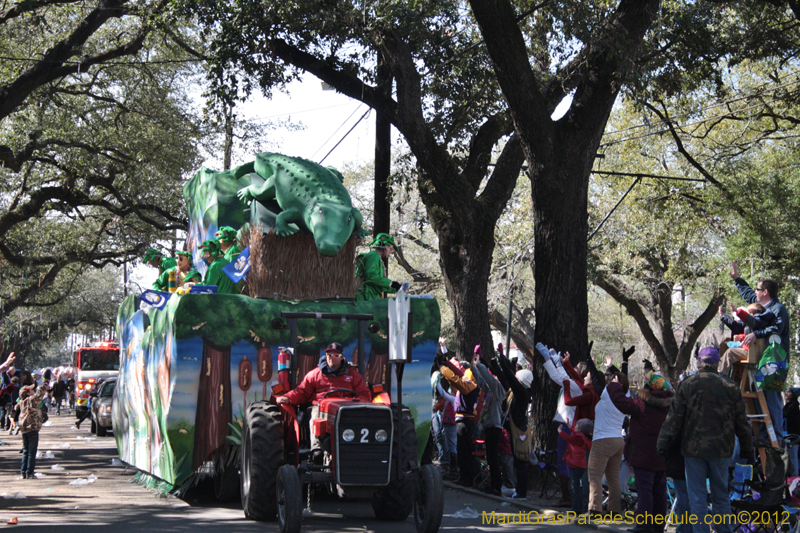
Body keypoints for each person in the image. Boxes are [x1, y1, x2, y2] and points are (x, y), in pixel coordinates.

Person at [657, 346, 753, 533]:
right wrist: (748, 448)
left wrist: (663, 443)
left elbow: (673, 420)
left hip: (693, 450)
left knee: (697, 497)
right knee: (721, 495)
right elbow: (742, 422)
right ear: (717, 363)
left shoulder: (687, 385)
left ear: (700, 362)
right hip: (722, 450)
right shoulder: (730, 387)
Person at [276, 342, 370, 457]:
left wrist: (356, 404)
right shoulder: (315, 374)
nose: (331, 358)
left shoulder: (353, 375)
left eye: (335, 356)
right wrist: (288, 397)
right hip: (321, 408)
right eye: (329, 355)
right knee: (315, 415)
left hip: (346, 409)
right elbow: (302, 391)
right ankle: (317, 449)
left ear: (342, 357)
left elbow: (364, 394)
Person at [730, 262, 790, 439]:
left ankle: (776, 440)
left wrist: (756, 334)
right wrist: (737, 279)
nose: (755, 292)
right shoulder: (763, 306)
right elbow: (749, 294)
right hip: (759, 359)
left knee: (771, 400)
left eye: (758, 289)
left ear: (765, 292)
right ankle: (764, 438)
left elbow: (775, 330)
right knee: (758, 402)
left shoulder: (778, 309)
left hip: (774, 361)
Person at [607, 370, 674, 532]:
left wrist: (615, 385)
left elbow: (619, 401)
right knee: (659, 491)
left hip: (643, 455)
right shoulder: (670, 407)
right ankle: (658, 526)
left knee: (645, 491)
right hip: (662, 455)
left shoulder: (641, 405)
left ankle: (644, 525)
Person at [440, 354, 480, 487]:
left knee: (464, 451)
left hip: (465, 421)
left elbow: (456, 379)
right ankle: (464, 476)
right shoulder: (470, 385)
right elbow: (457, 376)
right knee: (463, 450)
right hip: (464, 420)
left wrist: (443, 369)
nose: (464, 376)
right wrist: (447, 363)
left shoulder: (470, 386)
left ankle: (466, 478)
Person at [471, 346, 506, 496]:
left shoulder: (499, 391)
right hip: (489, 427)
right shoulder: (491, 392)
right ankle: (493, 485)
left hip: (495, 428)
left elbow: (489, 379)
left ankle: (496, 487)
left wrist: (480, 364)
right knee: (490, 459)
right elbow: (482, 381)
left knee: (493, 459)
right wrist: (473, 367)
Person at [718, 302, 775, 377]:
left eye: (748, 314)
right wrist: (741, 337)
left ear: (751, 315)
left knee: (730, 352)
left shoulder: (757, 323)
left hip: (751, 352)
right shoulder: (762, 323)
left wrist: (737, 311)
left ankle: (721, 374)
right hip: (753, 350)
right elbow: (748, 334)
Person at [18, 377, 50, 479]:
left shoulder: (22, 402)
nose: (33, 391)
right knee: (32, 452)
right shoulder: (31, 400)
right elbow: (40, 392)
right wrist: (46, 381)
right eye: (31, 390)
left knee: (26, 451)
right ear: (27, 393)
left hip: (24, 429)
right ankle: (29, 473)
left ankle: (23, 472)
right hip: (32, 428)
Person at [559, 419, 593, 514]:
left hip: (575, 464)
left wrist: (560, 432)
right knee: (575, 485)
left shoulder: (579, 439)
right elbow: (574, 434)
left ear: (581, 429)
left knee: (574, 487)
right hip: (580, 464)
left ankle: (576, 508)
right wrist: (569, 426)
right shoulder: (583, 437)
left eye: (577, 426)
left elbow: (569, 438)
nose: (575, 427)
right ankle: (578, 506)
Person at [355, 233, 402, 301]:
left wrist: (395, 288)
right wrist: (390, 283)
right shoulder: (373, 255)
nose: (390, 252)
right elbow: (371, 276)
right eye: (390, 249)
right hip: (364, 297)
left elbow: (377, 284)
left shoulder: (377, 258)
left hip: (370, 297)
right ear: (385, 246)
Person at [785, 387, 800, 477]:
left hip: (792, 436)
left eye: (789, 392)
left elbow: (793, 422)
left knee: (793, 456)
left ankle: (794, 476)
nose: (787, 393)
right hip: (790, 435)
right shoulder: (791, 405)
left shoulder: (793, 407)